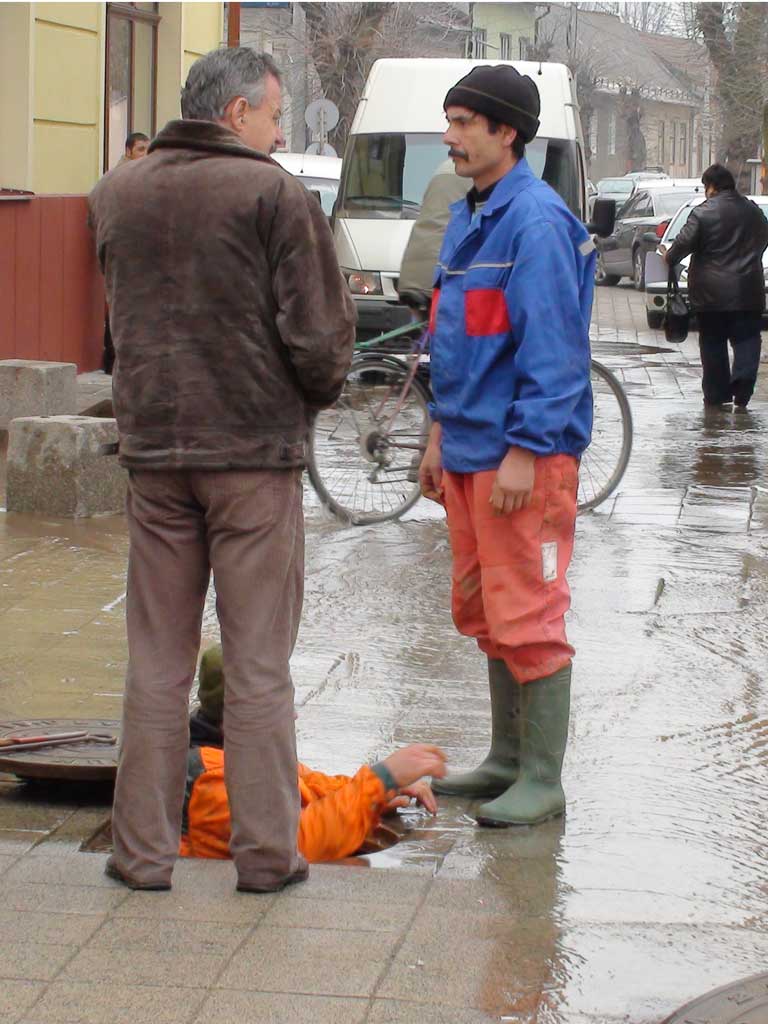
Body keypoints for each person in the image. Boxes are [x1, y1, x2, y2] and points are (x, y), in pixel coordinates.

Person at [88, 48, 356, 893]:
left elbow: (116, 326)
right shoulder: (273, 193)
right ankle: (269, 856)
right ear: (236, 114)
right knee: (257, 665)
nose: (279, 133)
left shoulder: (117, 190)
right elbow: (319, 337)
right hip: (251, 456)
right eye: (276, 117)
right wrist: (314, 395)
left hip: (156, 455)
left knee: (157, 664)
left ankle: (140, 854)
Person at [419, 65, 595, 828]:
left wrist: (527, 450)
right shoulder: (470, 216)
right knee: (487, 608)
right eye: (450, 120)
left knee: (528, 609)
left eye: (464, 122)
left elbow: (554, 351)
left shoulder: (538, 223)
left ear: (506, 133)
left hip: (521, 457)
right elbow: (449, 338)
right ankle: (504, 759)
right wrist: (435, 434)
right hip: (466, 448)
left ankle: (542, 779)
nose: (450, 136)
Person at [180, 647, 447, 862]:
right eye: (279, 706)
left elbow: (310, 786)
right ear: (241, 715)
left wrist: (382, 792)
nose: (294, 715)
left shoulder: (241, 749)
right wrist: (382, 778)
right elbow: (291, 844)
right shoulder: (213, 778)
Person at [662, 163, 768, 410]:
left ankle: (717, 394)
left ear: (711, 186)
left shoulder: (702, 213)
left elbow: (681, 246)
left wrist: (668, 256)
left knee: (713, 344)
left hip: (710, 296)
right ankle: (743, 381)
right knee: (747, 340)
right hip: (747, 291)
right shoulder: (752, 211)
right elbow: (764, 236)